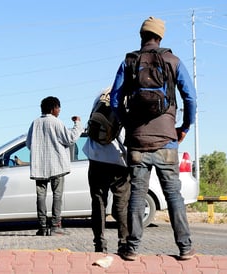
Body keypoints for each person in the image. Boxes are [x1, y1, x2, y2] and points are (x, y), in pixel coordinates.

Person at [110, 16, 197, 261]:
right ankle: (185, 247)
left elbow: (115, 100)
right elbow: (191, 98)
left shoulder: (129, 62)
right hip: (167, 140)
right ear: (160, 36)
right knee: (173, 195)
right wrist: (184, 127)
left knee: (137, 194)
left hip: (137, 142)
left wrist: (128, 124)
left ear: (141, 35)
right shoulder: (173, 61)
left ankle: (132, 248)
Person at [26, 96, 84, 236]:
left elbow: (29, 144)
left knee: (40, 196)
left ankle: (42, 226)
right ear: (53, 109)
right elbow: (70, 139)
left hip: (39, 167)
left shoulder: (35, 123)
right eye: (58, 108)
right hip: (57, 165)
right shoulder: (56, 122)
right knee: (57, 195)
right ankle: (56, 225)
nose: (59, 111)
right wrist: (77, 124)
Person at [83, 88, 130, 254]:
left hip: (96, 156)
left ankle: (99, 244)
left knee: (98, 202)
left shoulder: (102, 94)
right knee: (121, 204)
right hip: (118, 160)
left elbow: (92, 122)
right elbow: (127, 133)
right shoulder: (130, 96)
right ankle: (123, 243)